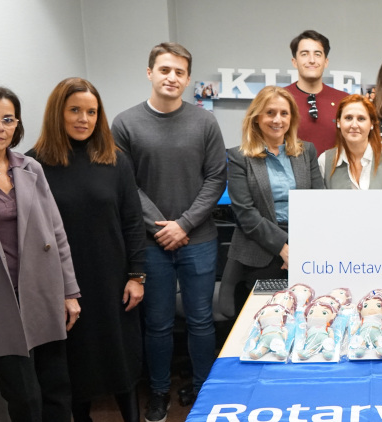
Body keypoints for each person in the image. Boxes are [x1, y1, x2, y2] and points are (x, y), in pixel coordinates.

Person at [111, 42, 227, 422]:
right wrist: (164, 227)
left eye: (179, 72)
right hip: (151, 245)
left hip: (199, 239)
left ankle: (203, 387)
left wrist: (184, 224)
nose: (171, 77)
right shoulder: (125, 123)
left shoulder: (205, 122)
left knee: (200, 320)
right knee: (157, 324)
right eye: (164, 70)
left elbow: (215, 179)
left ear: (188, 78)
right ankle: (158, 392)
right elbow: (125, 185)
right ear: (150, 73)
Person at [28, 78, 147, 422]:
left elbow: (132, 222)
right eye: (75, 110)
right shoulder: (33, 165)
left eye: (92, 112)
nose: (84, 119)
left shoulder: (115, 160)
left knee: (121, 359)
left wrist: (137, 276)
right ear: (57, 114)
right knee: (74, 364)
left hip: (113, 281)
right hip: (64, 284)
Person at [0, 86, 80, 422]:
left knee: (57, 390)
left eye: (8, 119)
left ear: (17, 125)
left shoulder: (31, 168)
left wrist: (70, 292)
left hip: (41, 290)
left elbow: (57, 234)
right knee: (24, 398)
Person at [224, 86, 324, 313]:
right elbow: (245, 213)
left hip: (306, 246)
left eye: (284, 113)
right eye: (270, 113)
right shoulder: (240, 157)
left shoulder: (306, 151)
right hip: (260, 249)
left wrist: (298, 248)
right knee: (266, 319)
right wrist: (283, 247)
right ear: (257, 117)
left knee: (308, 316)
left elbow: (318, 203)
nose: (277, 119)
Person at [285, 30, 348, 155]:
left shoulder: (344, 100)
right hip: (290, 173)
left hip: (335, 173)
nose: (312, 60)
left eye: (318, 54)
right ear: (294, 62)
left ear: (326, 62)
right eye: (304, 54)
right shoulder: (280, 98)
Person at [318, 94, 382, 189]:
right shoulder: (324, 161)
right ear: (338, 122)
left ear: (372, 124)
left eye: (361, 119)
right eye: (348, 118)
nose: (354, 125)